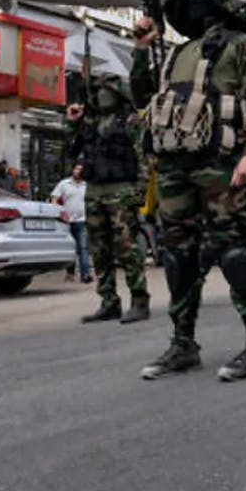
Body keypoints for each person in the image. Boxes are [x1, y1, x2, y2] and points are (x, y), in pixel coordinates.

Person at [130, 0, 246, 381]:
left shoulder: (241, 46)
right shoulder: (176, 52)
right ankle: (182, 344)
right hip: (175, 164)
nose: (193, 1)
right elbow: (142, 98)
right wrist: (141, 49)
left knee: (234, 252)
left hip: (223, 163)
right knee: (177, 256)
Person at [67, 73, 151, 325]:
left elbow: (143, 158)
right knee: (99, 250)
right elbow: (74, 149)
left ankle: (139, 300)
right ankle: (108, 301)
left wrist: (139, 192)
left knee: (127, 248)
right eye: (98, 91)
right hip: (93, 191)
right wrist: (73, 123)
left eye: (106, 91)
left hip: (121, 190)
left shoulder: (130, 121)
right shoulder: (89, 121)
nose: (101, 96)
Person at [52, 163, 93, 284]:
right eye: (76, 169)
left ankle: (85, 274)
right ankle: (70, 273)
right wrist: (57, 210)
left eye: (81, 170)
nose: (78, 171)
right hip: (67, 222)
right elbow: (54, 197)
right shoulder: (64, 184)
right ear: (73, 170)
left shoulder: (86, 185)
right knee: (71, 249)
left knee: (83, 248)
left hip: (82, 221)